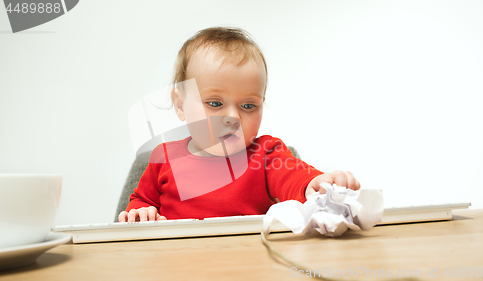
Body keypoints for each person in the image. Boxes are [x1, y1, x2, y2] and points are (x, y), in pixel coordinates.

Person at [118, 27, 360, 222]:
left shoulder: (267, 154)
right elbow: (141, 202)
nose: (233, 117)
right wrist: (140, 213)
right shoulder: (163, 158)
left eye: (248, 106)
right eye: (215, 103)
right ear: (180, 105)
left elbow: (294, 177)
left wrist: (315, 186)